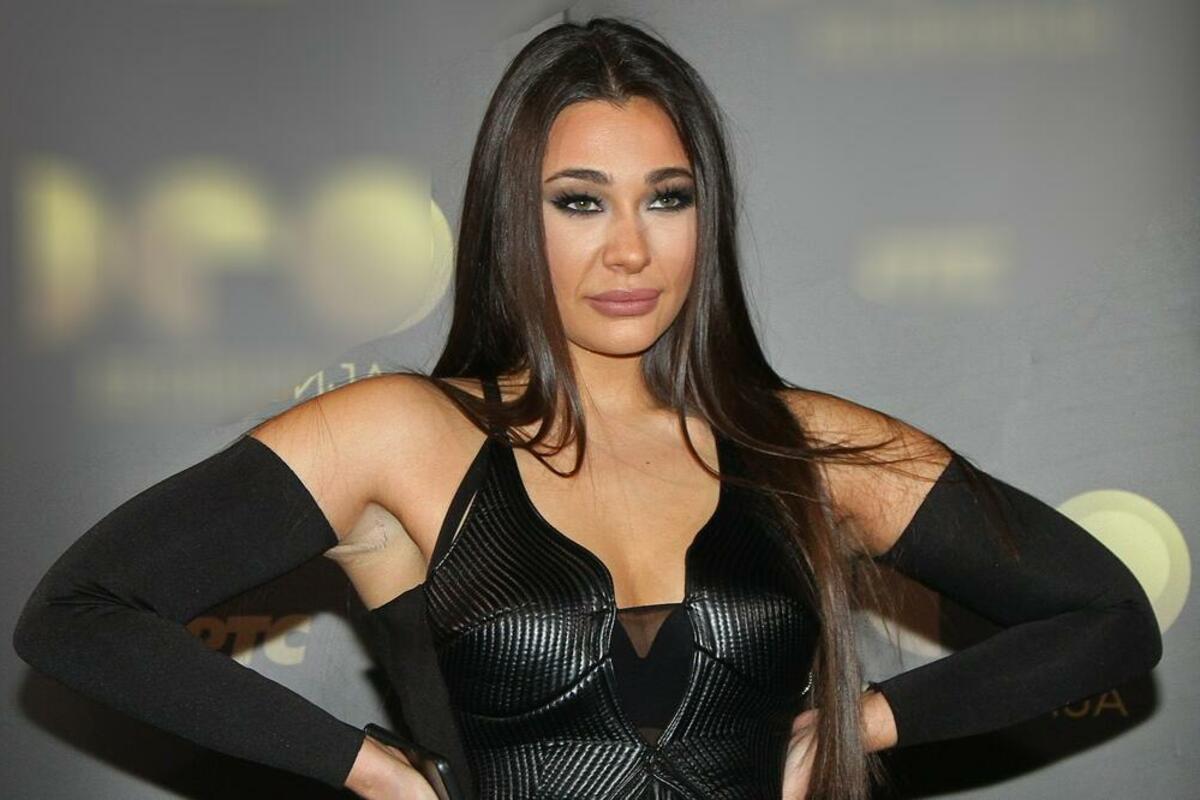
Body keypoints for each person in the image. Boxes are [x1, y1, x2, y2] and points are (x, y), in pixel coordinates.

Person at [12, 16, 1162, 800]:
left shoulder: (801, 445)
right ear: (515, 215)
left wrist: (861, 721)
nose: (628, 248)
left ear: (706, 215)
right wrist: (363, 765)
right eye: (579, 201)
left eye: (666, 197)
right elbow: (77, 613)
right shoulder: (403, 433)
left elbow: (1108, 614)